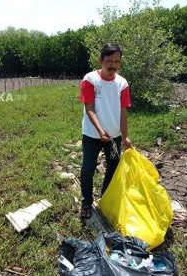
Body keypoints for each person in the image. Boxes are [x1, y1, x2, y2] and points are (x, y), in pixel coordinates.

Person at [78, 43, 133, 219]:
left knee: (113, 167)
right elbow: (89, 109)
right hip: (92, 135)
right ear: (101, 60)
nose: (113, 65)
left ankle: (105, 198)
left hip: (114, 137)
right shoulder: (90, 80)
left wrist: (125, 137)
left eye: (117, 61)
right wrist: (101, 131)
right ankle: (86, 201)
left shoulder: (122, 83)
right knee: (87, 169)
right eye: (109, 60)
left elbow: (123, 112)